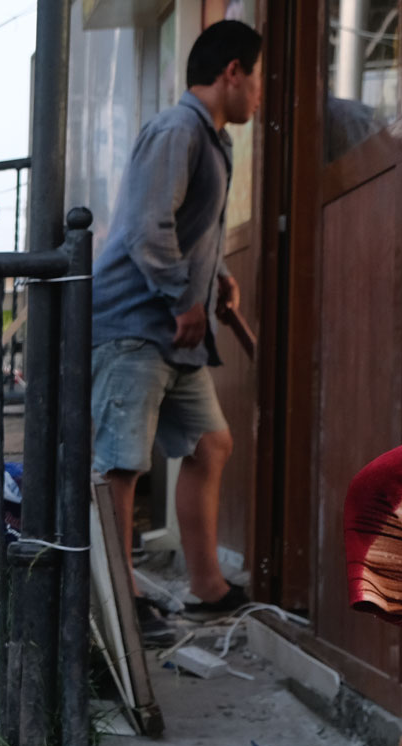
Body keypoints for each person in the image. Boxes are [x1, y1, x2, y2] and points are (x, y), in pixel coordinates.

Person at [91, 19, 263, 647]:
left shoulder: (215, 141)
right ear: (232, 73)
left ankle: (208, 589)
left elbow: (187, 228)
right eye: (258, 77)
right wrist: (177, 293)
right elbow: (145, 228)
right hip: (136, 324)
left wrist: (213, 280)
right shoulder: (176, 130)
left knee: (211, 444)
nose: (260, 94)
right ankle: (121, 600)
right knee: (121, 466)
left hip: (176, 329)